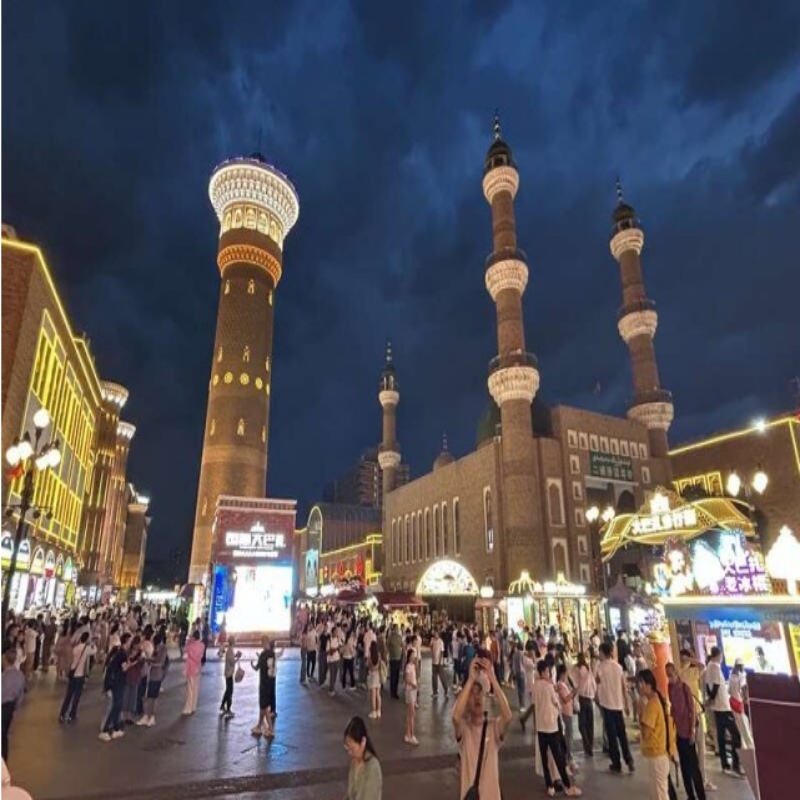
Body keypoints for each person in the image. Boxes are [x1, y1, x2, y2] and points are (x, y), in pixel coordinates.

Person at [452, 654, 513, 800]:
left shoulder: (493, 727)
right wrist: (470, 679)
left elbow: (508, 716)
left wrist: (493, 679)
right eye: (472, 694)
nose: (477, 697)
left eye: (479, 693)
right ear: (466, 703)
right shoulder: (464, 730)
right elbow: (455, 716)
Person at [533, 660, 582, 796]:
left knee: (544, 758)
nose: (549, 674)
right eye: (547, 671)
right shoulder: (549, 686)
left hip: (541, 727)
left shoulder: (536, 686)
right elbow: (557, 704)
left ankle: (549, 786)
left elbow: (535, 705)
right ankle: (568, 786)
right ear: (542, 672)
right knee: (559, 758)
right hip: (551, 727)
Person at [677, 649, 716, 793]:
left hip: (696, 714)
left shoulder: (692, 672)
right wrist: (689, 661)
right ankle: (700, 781)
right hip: (690, 717)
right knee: (696, 750)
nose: (684, 660)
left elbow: (702, 666)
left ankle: (702, 779)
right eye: (683, 658)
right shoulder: (680, 673)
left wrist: (690, 660)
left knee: (700, 750)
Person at [666, 663, 706, 800]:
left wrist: (692, 731)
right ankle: (690, 795)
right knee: (684, 766)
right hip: (678, 732)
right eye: (667, 675)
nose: (669, 678)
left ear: (676, 673)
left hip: (688, 732)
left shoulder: (684, 688)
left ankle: (701, 796)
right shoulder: (670, 688)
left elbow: (692, 710)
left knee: (694, 767)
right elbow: (673, 707)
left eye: (671, 674)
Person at [596, 641, 634, 773]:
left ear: (602, 652)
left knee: (612, 736)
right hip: (618, 705)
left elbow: (597, 682)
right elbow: (623, 686)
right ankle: (629, 759)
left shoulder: (600, 668)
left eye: (599, 652)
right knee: (622, 734)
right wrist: (626, 704)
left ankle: (616, 762)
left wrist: (598, 697)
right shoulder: (618, 667)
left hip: (607, 705)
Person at [705, 647, 744, 777]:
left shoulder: (709, 666)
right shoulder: (715, 667)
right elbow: (716, 687)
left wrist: (710, 700)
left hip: (717, 707)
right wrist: (711, 699)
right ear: (719, 655)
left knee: (721, 736)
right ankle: (735, 765)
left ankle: (725, 764)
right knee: (736, 735)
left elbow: (708, 686)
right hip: (723, 707)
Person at [637, 669, 675, 800]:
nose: (639, 686)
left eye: (641, 683)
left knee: (659, 795)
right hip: (658, 754)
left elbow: (646, 733)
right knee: (659, 793)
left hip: (656, 756)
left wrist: (640, 713)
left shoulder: (651, 705)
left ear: (649, 684)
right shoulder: (655, 701)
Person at [99, 633, 132, 741]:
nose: (131, 643)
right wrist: (131, 663)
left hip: (116, 682)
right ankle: (105, 730)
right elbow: (124, 668)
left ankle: (116, 729)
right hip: (117, 683)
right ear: (126, 641)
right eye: (130, 641)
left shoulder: (119, 652)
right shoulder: (122, 654)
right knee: (116, 705)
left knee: (118, 706)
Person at [59, 630, 96, 723]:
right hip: (80, 675)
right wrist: (93, 644)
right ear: (87, 639)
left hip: (72, 674)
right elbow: (94, 651)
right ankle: (72, 715)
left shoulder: (75, 648)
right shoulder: (86, 648)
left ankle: (62, 714)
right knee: (77, 696)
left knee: (68, 695)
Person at [343, 716, 382, 800]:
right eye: (347, 748)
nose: (350, 753)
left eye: (352, 748)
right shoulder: (354, 762)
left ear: (363, 742)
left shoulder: (372, 767)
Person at [251, 635, 282, 738]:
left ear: (263, 643)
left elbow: (257, 668)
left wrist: (252, 665)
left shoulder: (263, 654)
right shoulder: (272, 654)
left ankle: (270, 729)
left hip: (264, 683)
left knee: (263, 706)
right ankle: (259, 726)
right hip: (271, 682)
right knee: (263, 706)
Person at [138, 632, 167, 727]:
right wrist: (148, 659)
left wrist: (151, 663)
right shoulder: (157, 648)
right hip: (151, 675)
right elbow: (154, 659)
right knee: (149, 696)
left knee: (153, 696)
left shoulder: (163, 649)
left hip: (157, 675)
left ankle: (152, 716)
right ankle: (146, 715)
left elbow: (161, 663)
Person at [1, 647, 26, 762]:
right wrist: (15, 709)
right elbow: (20, 696)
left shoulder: (3, 676)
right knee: (4, 734)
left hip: (2, 706)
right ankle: (3, 759)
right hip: (10, 707)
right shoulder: (20, 675)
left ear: (5, 660)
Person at [728, 659, 754, 749]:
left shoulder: (731, 675)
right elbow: (744, 688)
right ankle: (750, 747)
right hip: (739, 703)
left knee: (739, 727)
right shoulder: (742, 675)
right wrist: (746, 698)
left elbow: (729, 690)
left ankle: (743, 746)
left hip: (732, 702)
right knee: (745, 727)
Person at [556, 663, 577, 769]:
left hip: (568, 711)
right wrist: (573, 693)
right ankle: (569, 757)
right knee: (569, 736)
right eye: (566, 673)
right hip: (566, 712)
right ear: (562, 674)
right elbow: (565, 699)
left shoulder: (562, 684)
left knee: (569, 735)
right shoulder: (560, 685)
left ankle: (569, 756)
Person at [575, 651, 596, 756]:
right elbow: (593, 684)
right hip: (589, 699)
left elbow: (576, 684)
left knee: (581, 725)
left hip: (582, 698)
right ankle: (590, 746)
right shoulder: (588, 669)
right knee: (589, 724)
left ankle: (587, 746)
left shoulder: (579, 670)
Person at [182, 630, 204, 715]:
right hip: (198, 668)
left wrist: (189, 642)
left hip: (191, 668)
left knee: (190, 689)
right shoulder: (202, 645)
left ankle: (188, 707)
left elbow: (185, 649)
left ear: (193, 637)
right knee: (196, 688)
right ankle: (193, 706)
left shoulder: (190, 646)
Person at [220, 637, 242, 718]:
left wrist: (235, 656)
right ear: (233, 642)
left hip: (228, 672)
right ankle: (228, 709)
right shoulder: (230, 650)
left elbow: (231, 659)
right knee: (230, 691)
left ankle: (222, 705)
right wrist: (238, 657)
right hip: (229, 673)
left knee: (228, 690)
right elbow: (232, 662)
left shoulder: (230, 650)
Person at [403, 648, 419, 745]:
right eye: (412, 656)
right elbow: (407, 679)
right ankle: (412, 735)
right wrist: (414, 685)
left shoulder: (413, 666)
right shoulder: (408, 667)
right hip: (410, 691)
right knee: (411, 714)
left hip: (413, 691)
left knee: (410, 715)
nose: (413, 658)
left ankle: (408, 734)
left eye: (414, 656)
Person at [367, 640, 383, 719]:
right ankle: (379, 711)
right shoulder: (379, 655)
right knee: (378, 695)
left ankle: (373, 712)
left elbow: (368, 665)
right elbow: (380, 666)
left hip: (372, 675)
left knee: (373, 696)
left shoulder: (370, 656)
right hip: (378, 675)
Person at [387, 625, 403, 700]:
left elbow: (402, 645)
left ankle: (395, 691)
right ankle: (392, 691)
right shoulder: (390, 637)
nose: (396, 630)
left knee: (396, 676)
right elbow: (387, 647)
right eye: (396, 629)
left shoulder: (399, 637)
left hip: (398, 658)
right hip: (392, 659)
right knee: (393, 675)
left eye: (397, 629)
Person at [430, 630, 447, 698]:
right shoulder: (433, 641)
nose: (435, 635)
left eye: (436, 634)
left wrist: (440, 661)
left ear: (438, 634)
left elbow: (442, 652)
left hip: (439, 662)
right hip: (433, 661)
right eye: (435, 634)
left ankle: (446, 689)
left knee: (442, 677)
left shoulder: (441, 642)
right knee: (434, 678)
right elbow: (431, 647)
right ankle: (435, 691)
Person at [328, 626, 343, 696]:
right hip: (331, 660)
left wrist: (339, 649)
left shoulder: (338, 639)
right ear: (332, 632)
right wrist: (336, 649)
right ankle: (331, 689)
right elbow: (328, 651)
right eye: (335, 631)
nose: (337, 632)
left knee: (335, 675)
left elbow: (340, 649)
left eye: (337, 631)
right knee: (332, 675)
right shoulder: (329, 640)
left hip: (337, 659)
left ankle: (332, 686)